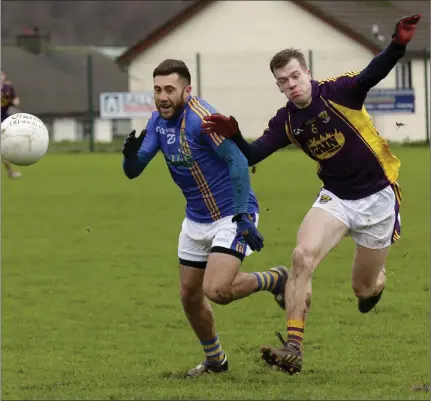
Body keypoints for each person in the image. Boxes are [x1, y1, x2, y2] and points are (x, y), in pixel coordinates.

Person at [201, 15, 421, 374]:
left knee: (363, 288)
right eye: (282, 82)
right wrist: (235, 135)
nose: (291, 85)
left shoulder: (339, 92)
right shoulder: (287, 121)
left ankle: (376, 285)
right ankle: (294, 348)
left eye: (294, 76)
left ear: (307, 73)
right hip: (336, 197)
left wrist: (397, 45)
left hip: (378, 197)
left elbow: (373, 72)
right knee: (301, 256)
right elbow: (254, 155)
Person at [121, 59, 289, 377]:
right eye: (157, 89)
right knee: (188, 295)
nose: (162, 96)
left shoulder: (203, 119)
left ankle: (274, 279)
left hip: (232, 213)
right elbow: (134, 171)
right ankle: (216, 361)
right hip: (196, 219)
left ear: (187, 90)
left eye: (170, 89)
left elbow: (238, 161)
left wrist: (242, 215)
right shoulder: (158, 121)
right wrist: (129, 155)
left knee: (218, 291)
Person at [1, 70, 22, 179]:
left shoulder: (8, 87)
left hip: (4, 119)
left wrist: (16, 101)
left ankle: (10, 172)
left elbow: (15, 98)